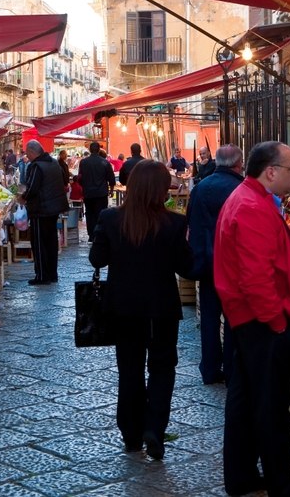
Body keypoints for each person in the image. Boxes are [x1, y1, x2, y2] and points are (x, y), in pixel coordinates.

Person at [215, 141, 290, 497]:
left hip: (248, 319)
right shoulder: (252, 206)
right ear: (270, 171)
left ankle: (240, 476)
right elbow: (255, 278)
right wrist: (277, 323)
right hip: (262, 322)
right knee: (271, 407)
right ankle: (282, 482)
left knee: (245, 399)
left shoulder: (246, 198)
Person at [89, 160, 193, 459]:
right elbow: (185, 267)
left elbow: (97, 259)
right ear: (160, 190)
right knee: (162, 368)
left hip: (123, 307)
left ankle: (131, 432)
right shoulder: (175, 223)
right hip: (161, 308)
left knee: (129, 370)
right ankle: (154, 429)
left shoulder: (111, 218)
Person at [186, 144, 244, 385]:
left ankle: (209, 369)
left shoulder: (200, 187)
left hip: (207, 263)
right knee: (233, 318)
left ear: (216, 162)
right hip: (233, 266)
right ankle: (231, 370)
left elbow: (191, 221)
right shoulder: (241, 189)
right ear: (239, 164)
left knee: (209, 318)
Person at [18, 140, 68, 286]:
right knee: (51, 241)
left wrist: (23, 197)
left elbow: (32, 188)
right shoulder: (53, 162)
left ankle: (42, 276)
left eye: (27, 153)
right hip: (54, 209)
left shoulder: (36, 166)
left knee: (39, 243)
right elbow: (63, 179)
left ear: (33, 152)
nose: (26, 156)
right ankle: (52, 274)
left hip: (41, 209)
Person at [78, 142, 114, 243]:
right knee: (101, 213)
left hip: (88, 193)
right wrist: (111, 190)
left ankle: (91, 235)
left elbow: (80, 178)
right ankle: (100, 234)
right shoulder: (105, 162)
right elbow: (110, 178)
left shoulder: (84, 162)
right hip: (101, 193)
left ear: (90, 150)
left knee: (89, 213)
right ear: (99, 150)